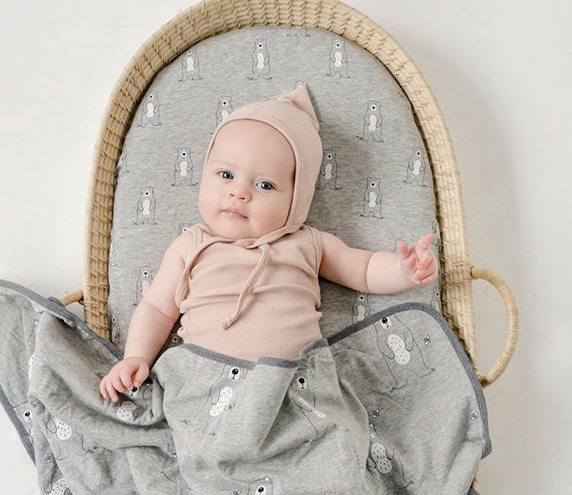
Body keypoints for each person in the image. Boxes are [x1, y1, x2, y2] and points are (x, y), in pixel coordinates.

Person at [100, 84, 438, 402]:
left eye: (264, 185)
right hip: (209, 387)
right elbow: (157, 308)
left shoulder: (307, 242)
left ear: (297, 199)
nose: (239, 192)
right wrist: (136, 357)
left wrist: (403, 271)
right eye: (226, 175)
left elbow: (363, 269)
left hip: (294, 388)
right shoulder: (192, 245)